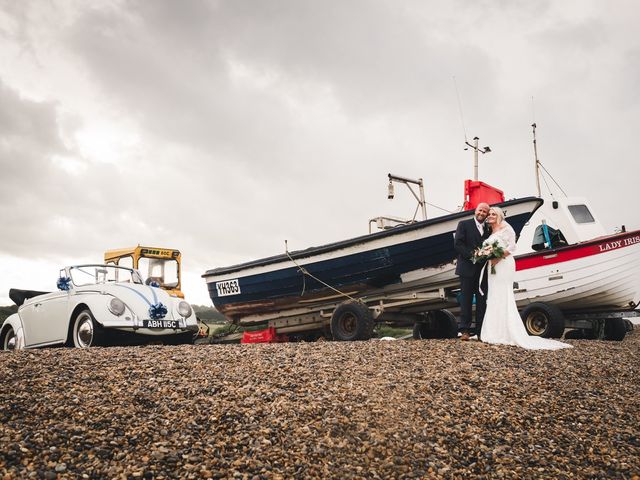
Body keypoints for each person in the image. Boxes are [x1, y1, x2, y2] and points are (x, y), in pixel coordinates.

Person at [480, 206, 572, 350]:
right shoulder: (491, 231)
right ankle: (494, 331)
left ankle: (507, 332)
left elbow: (512, 247)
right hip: (492, 266)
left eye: (493, 214)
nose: (490, 216)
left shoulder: (506, 228)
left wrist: (497, 257)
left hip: (503, 264)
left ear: (498, 215)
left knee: (504, 294)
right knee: (494, 295)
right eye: (489, 214)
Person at [454, 202, 491, 341]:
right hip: (466, 268)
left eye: (485, 212)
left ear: (487, 214)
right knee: (466, 300)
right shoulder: (463, 224)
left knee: (482, 301)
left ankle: (481, 331)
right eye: (480, 210)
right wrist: (473, 256)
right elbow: (458, 244)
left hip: (482, 271)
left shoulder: (489, 228)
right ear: (476, 210)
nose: (482, 213)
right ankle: (464, 330)